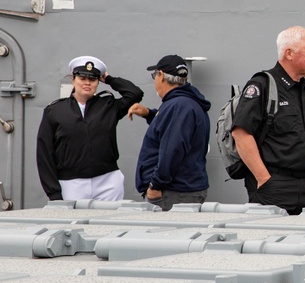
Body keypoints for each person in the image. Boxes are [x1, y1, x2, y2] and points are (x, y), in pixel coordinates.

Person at [231, 26, 305, 215]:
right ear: (289, 53)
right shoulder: (262, 85)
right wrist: (264, 179)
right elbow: (240, 133)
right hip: (273, 187)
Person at [36, 56, 143, 201]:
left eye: (93, 79)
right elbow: (44, 154)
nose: (87, 83)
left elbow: (135, 93)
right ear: (73, 80)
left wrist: (109, 79)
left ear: (98, 81)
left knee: (108, 223)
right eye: (82, 78)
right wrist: (53, 192)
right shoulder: (54, 111)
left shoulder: (108, 106)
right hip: (71, 183)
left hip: (108, 181)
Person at [129, 55, 212, 211]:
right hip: (180, 191)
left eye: (154, 75)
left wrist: (155, 185)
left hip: (173, 193)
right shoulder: (185, 102)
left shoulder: (179, 105)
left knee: (166, 235)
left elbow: (173, 149)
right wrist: (149, 114)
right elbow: (174, 129)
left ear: (160, 76)